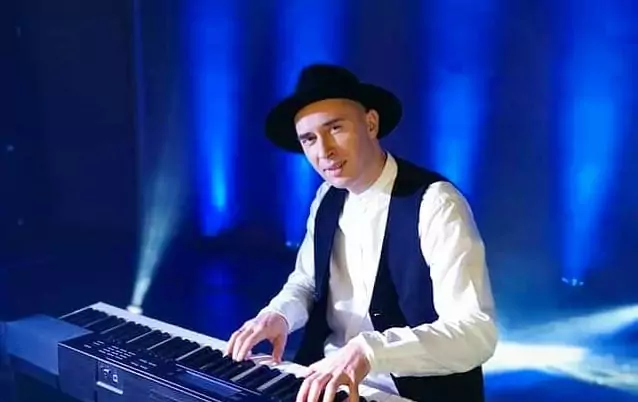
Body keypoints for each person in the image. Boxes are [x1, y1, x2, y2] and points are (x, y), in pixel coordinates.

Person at [226, 64, 498, 402]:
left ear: (370, 124)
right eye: (309, 139)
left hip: (411, 393)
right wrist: (278, 314)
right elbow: (306, 283)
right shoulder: (326, 197)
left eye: (335, 128)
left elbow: (476, 332)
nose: (323, 151)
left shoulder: (435, 202)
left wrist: (370, 351)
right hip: (326, 381)